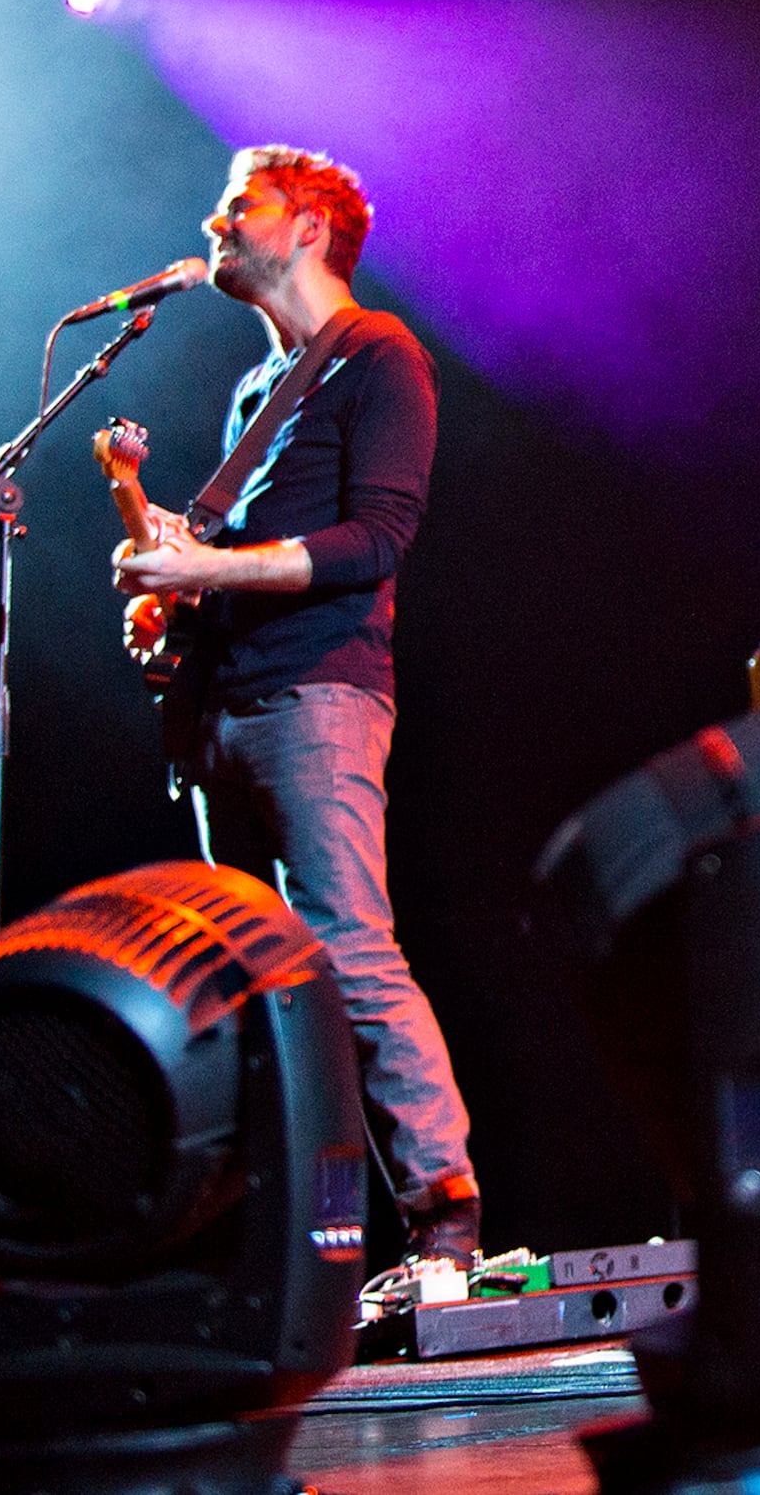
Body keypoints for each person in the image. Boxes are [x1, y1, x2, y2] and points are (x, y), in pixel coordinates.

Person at [115, 143, 481, 1270]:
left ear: (309, 227)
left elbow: (375, 543)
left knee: (352, 953)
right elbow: (231, 552)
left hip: (319, 696)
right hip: (223, 709)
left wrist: (205, 577)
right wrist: (167, 579)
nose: (216, 224)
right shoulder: (252, 390)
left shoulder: (381, 355)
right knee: (255, 979)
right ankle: (296, 1242)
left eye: (240, 206)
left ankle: (446, 1217)